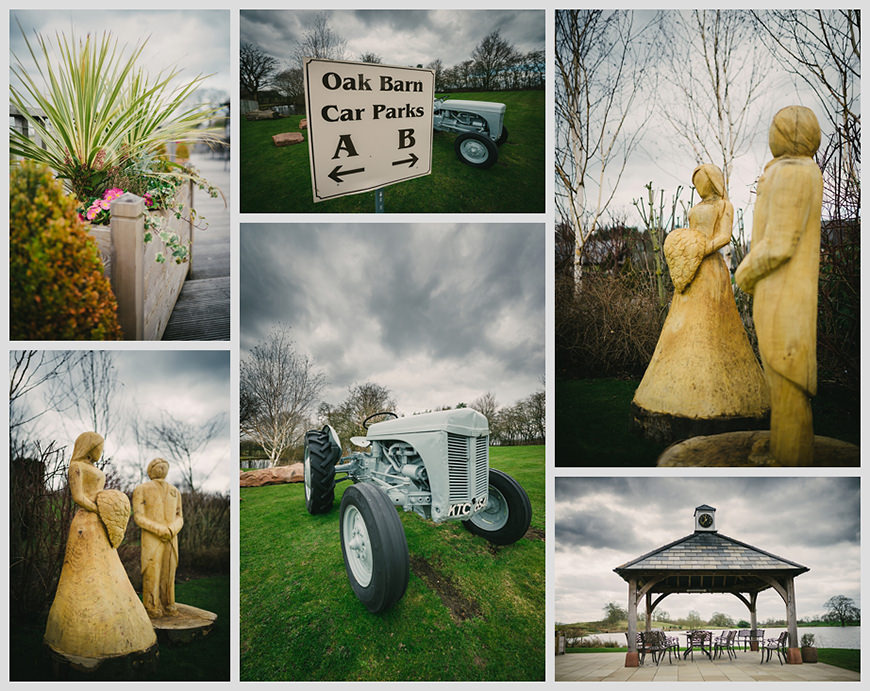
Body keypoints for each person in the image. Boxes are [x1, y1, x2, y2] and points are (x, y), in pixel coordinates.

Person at [632, 164, 768, 439]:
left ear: (712, 181)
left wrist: (699, 250)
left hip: (710, 269)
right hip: (690, 272)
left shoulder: (725, 206)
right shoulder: (696, 207)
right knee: (681, 325)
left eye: (702, 181)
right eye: (695, 183)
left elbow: (724, 236)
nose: (698, 187)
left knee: (712, 325)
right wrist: (684, 250)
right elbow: (692, 233)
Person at [735, 105, 823, 464]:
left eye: (775, 128)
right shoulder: (799, 171)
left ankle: (789, 455)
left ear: (787, 133)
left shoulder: (792, 173)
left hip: (785, 297)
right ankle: (784, 445)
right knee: (781, 380)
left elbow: (780, 243)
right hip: (782, 294)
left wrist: (743, 274)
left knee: (786, 378)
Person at [44, 432, 156, 660]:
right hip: (86, 522)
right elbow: (78, 496)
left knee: (108, 566)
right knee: (84, 566)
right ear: (90, 446)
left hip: (100, 523)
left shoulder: (92, 468)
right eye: (99, 447)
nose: (101, 452)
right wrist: (101, 509)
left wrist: (109, 506)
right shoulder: (76, 466)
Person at [133, 458, 184, 618]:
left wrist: (171, 529)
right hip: (152, 538)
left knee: (169, 572)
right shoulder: (141, 489)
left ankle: (169, 604)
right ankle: (151, 606)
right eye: (157, 465)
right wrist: (158, 529)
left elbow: (179, 516)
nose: (161, 467)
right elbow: (139, 517)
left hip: (171, 536)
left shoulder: (175, 491)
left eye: (164, 464)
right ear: (150, 470)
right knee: (152, 570)